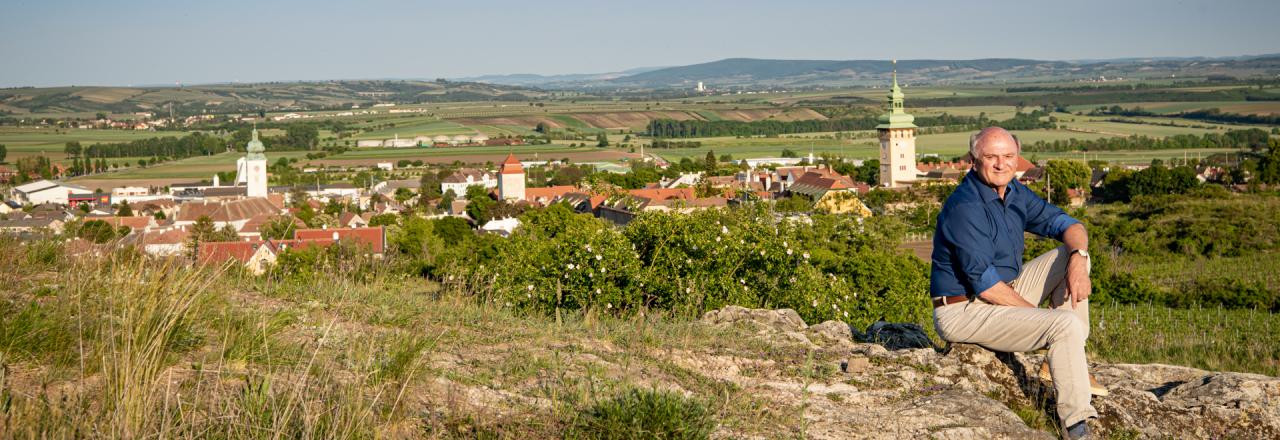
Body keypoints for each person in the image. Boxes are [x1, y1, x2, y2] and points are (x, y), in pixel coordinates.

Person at [930, 127, 1104, 439]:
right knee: (1062, 325)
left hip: (1006, 288)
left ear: (1017, 158)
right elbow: (986, 286)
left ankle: (1066, 356)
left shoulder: (1013, 191)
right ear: (973, 160)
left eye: (1008, 156)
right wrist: (1048, 320)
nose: (1001, 164)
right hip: (964, 310)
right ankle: (1077, 425)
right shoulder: (965, 208)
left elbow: (1069, 224)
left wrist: (1078, 256)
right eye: (991, 157)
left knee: (1072, 256)